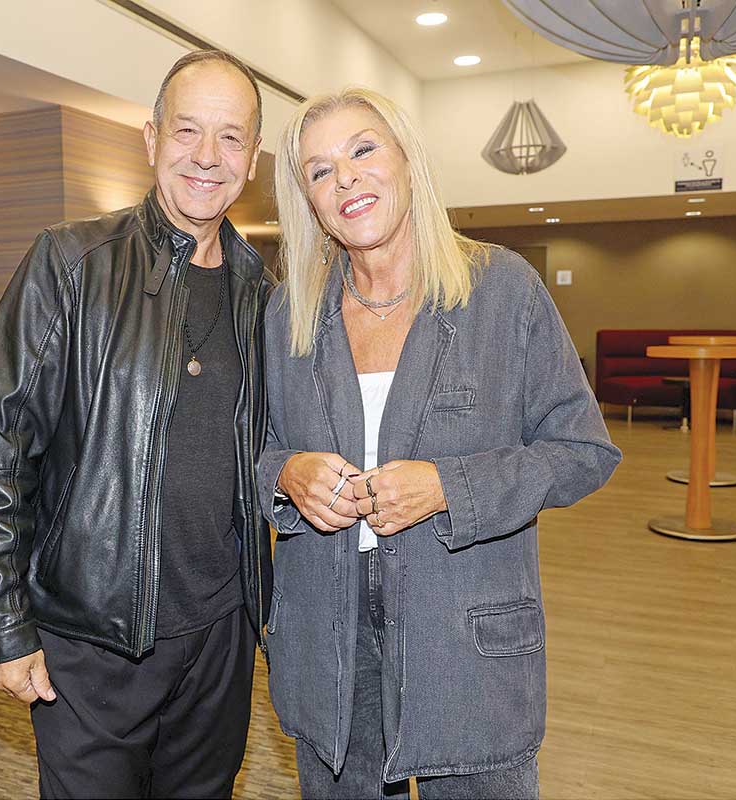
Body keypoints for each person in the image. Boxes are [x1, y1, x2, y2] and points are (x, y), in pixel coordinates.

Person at [257, 87, 622, 799]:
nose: (346, 179)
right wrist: (288, 473)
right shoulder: (288, 315)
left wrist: (450, 488)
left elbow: (583, 450)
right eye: (320, 170)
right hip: (328, 647)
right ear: (308, 200)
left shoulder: (502, 290)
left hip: (465, 643)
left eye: (363, 150)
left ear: (406, 159)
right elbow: (256, 450)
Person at [0, 50, 273, 799]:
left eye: (230, 137)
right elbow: (1, 450)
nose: (207, 155)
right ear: (152, 138)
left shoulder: (263, 293)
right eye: (187, 130)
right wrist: (1, 625)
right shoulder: (72, 264)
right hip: (91, 635)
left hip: (221, 636)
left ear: (253, 158)